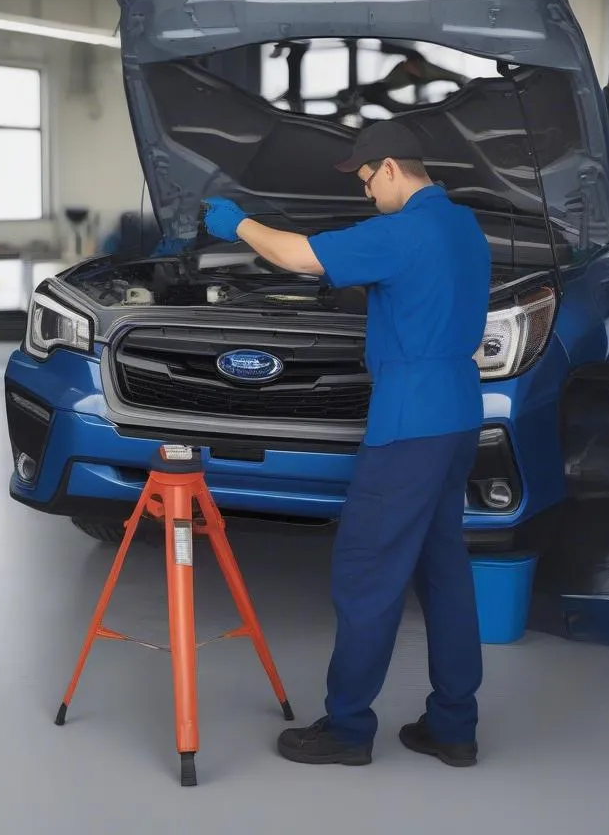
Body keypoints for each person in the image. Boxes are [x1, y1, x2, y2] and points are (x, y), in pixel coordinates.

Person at [202, 118, 491, 768]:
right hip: (458, 413)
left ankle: (348, 729)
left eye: (366, 179)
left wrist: (239, 225)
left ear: (391, 167)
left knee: (367, 574)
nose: (366, 193)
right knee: (443, 570)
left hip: (408, 421)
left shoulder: (403, 230)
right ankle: (453, 724)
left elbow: (300, 256)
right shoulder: (463, 227)